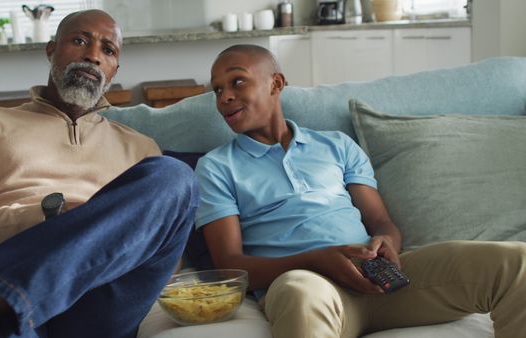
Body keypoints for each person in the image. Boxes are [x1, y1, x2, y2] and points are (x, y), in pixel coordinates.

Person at [0, 10, 198, 338]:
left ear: (114, 70)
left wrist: (91, 232)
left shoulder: (141, 148)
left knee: (175, 177)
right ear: (51, 51)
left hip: (99, 307)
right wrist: (51, 216)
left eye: (108, 50)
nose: (93, 56)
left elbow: (161, 255)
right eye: (79, 41)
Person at [195, 44, 526, 338]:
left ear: (276, 84)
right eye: (217, 90)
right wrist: (316, 261)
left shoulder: (337, 145)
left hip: (379, 279)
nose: (224, 97)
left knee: (516, 262)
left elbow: (380, 221)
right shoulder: (217, 167)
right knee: (298, 292)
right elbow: (231, 269)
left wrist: (388, 243)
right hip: (309, 287)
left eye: (237, 81)